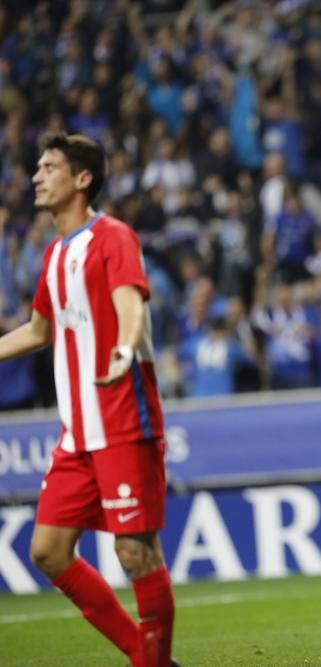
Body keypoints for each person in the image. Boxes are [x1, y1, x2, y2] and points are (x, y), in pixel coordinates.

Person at [0, 133, 176, 666]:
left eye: (49, 166)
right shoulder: (54, 255)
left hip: (123, 420)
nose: (36, 175)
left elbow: (131, 304)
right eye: (37, 166)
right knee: (48, 552)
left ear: (81, 179)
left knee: (135, 553)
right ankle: (149, 658)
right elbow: (37, 330)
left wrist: (123, 347)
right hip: (77, 434)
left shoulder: (113, 236)